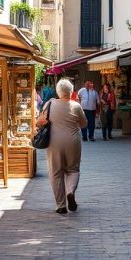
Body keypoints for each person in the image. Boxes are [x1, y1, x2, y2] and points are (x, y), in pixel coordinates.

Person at [36, 78, 87, 214]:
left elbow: (39, 122)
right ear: (71, 92)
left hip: (54, 142)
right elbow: (84, 124)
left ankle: (60, 205)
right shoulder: (76, 106)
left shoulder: (49, 104)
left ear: (58, 92)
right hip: (73, 142)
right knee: (73, 170)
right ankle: (70, 191)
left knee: (55, 173)